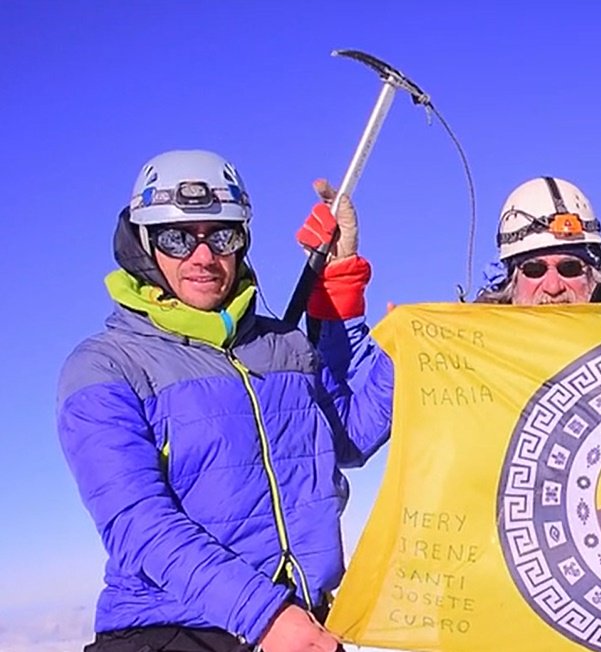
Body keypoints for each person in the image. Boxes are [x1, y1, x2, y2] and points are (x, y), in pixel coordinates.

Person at [56, 149, 393, 652]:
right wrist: (266, 617)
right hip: (171, 632)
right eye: (176, 238)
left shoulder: (282, 345)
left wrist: (412, 354)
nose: (203, 257)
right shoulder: (105, 366)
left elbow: (347, 439)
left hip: (301, 624)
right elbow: (137, 523)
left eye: (222, 236)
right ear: (143, 244)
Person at [474, 176, 601, 305]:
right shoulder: (472, 337)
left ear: (595, 281)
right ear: (511, 283)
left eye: (570, 268)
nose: (553, 288)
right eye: (534, 270)